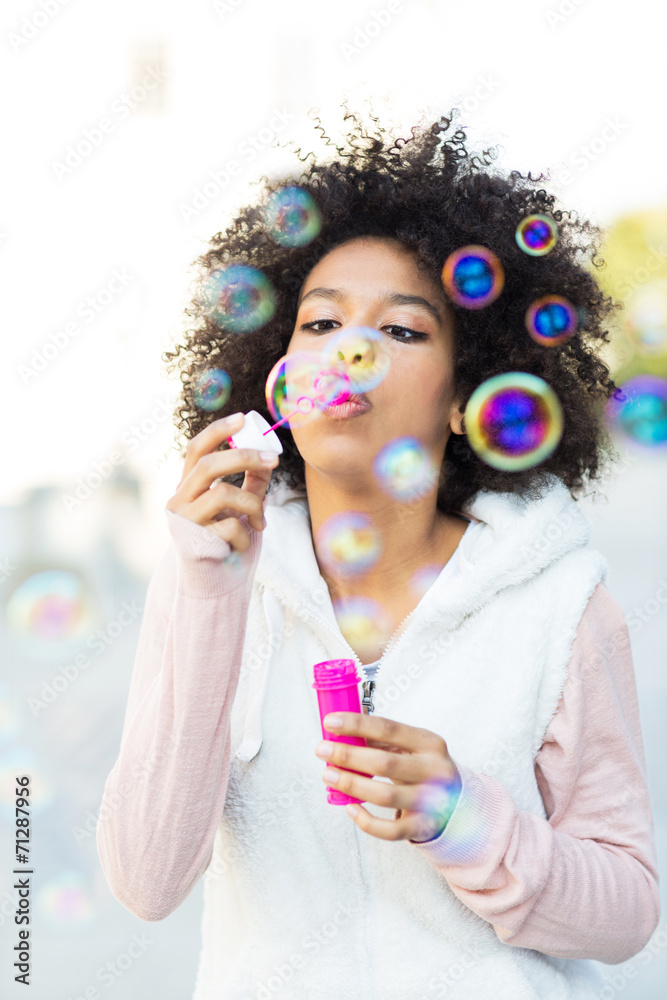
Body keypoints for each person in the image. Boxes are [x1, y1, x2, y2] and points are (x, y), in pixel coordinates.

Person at [96, 109, 660, 999]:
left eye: (401, 331)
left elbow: (628, 910)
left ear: (463, 396)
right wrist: (208, 590)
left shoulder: (557, 604)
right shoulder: (210, 579)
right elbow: (146, 881)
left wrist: (464, 819)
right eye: (319, 324)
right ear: (273, 378)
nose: (349, 349)